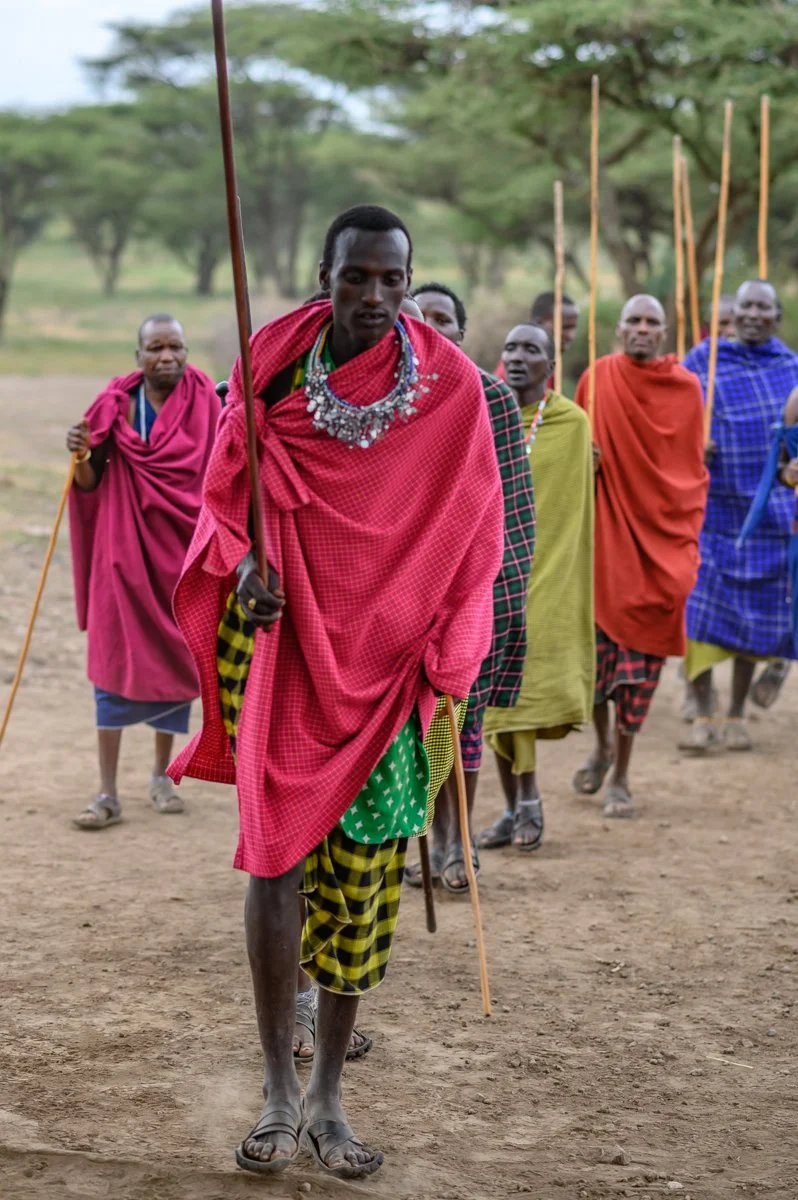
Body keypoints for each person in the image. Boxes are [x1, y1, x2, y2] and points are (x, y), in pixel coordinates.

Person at [168, 206, 504, 1178]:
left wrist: (448, 653)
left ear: (410, 283)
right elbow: (229, 484)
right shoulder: (273, 360)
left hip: (389, 667)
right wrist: (242, 566)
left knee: (361, 881)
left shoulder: (450, 387)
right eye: (354, 276)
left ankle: (327, 1097)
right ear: (325, 276)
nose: (372, 296)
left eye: (390, 280)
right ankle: (278, 1083)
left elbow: (472, 529)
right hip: (287, 649)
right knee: (273, 859)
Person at [406, 282, 535, 892]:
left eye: (442, 319)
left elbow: (511, 508)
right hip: (402, 594)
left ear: (461, 332)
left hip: (474, 588)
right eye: (419, 316)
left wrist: (496, 593)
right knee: (413, 728)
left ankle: (458, 841)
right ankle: (424, 839)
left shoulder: (492, 397)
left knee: (463, 720)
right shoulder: (386, 396)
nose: (428, 326)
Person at [66, 315, 219, 829]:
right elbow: (89, 482)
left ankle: (161, 776)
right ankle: (107, 792)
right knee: (112, 663)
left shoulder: (207, 403)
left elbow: (221, 474)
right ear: (138, 357)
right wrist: (82, 453)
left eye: (176, 346)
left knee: (175, 663)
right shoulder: (116, 405)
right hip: (121, 552)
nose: (167, 357)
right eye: (155, 347)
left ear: (187, 350)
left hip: (180, 554)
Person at [572, 296, 707, 816]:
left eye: (652, 322)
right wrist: (582, 460)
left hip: (662, 542)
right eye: (634, 320)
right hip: (606, 541)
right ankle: (604, 747)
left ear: (665, 331)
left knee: (640, 670)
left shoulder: (688, 388)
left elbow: (689, 472)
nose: (642, 329)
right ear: (619, 328)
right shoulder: (598, 378)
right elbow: (571, 446)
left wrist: (680, 532)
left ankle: (623, 773)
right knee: (600, 666)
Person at [478, 324, 594, 853]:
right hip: (489, 577)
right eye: (511, 347)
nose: (518, 357)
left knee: (521, 693)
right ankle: (514, 805)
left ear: (552, 364)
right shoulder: (482, 415)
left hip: (547, 576)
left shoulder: (572, 425)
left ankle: (524, 802)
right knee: (491, 701)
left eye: (532, 350)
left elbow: (575, 510)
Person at [680, 280, 798, 752]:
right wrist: (694, 444)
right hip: (709, 508)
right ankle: (702, 709)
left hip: (770, 511)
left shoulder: (790, 369)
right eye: (744, 305)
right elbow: (675, 420)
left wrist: (792, 468)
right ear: (733, 311)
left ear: (776, 316)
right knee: (700, 611)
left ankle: (735, 712)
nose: (752, 314)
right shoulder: (703, 363)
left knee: (755, 616)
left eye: (762, 307)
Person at [495, 290, 580, 385]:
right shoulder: (516, 370)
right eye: (564, 327)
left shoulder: (546, 365)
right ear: (538, 324)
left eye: (573, 328)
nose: (571, 336)